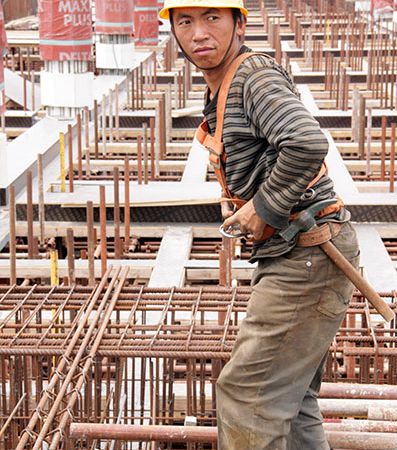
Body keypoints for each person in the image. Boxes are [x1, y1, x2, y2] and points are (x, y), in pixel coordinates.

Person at [159, 1, 360, 449]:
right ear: (173, 32)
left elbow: (307, 142)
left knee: (247, 395)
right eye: (185, 22)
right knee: (292, 400)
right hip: (303, 253)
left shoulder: (253, 77)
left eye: (213, 19)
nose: (199, 34)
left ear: (239, 23)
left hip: (309, 254)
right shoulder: (227, 87)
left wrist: (261, 208)